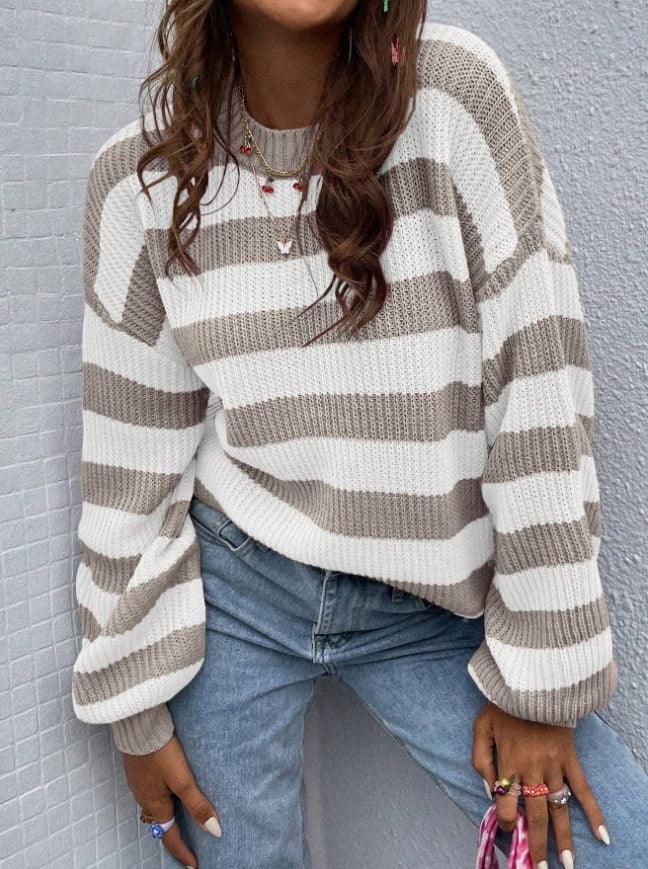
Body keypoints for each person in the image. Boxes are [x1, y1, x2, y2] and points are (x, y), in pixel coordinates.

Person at [72, 1, 648, 867]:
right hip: (237, 592)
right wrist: (134, 707)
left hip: (436, 595)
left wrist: (540, 685)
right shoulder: (141, 179)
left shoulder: (453, 98)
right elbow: (130, 457)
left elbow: (539, 385)